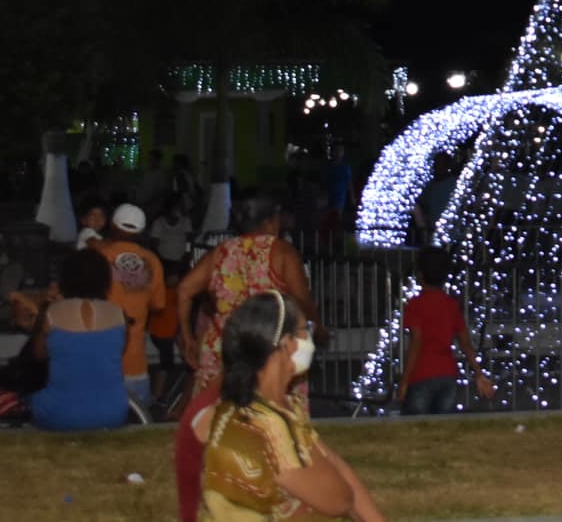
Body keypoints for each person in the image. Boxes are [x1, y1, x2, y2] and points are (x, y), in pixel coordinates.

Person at [174, 194, 317, 522]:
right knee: (281, 411)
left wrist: (189, 335)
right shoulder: (281, 252)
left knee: (218, 413)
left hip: (224, 346)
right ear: (271, 222)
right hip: (271, 348)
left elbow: (184, 290)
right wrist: (317, 325)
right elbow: (302, 298)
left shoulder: (220, 253)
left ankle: (220, 470)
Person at [198, 292, 387, 521]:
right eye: (303, 330)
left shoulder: (270, 407)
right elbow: (339, 499)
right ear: (286, 344)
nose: (308, 338)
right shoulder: (265, 426)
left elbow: (336, 465)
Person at [29, 247, 130, 432]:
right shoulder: (119, 314)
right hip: (113, 412)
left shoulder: (52, 313)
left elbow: (38, 355)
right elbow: (118, 352)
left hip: (59, 413)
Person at [399, 248, 493, 414]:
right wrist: (478, 373)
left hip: (422, 373)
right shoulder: (451, 304)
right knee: (443, 425)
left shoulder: (415, 305)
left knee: (416, 427)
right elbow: (465, 343)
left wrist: (405, 381)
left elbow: (416, 343)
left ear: (420, 275)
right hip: (447, 373)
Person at [97, 203, 170, 408]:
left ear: (113, 226)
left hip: (102, 362)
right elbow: (158, 305)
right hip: (135, 364)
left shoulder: (99, 256)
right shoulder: (153, 261)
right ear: (142, 231)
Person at [152, 192, 195, 283]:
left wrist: (187, 254)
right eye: (176, 205)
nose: (179, 209)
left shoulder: (185, 221)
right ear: (169, 206)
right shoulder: (159, 222)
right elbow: (154, 245)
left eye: (180, 206)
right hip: (164, 262)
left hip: (182, 260)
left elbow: (189, 241)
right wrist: (162, 263)